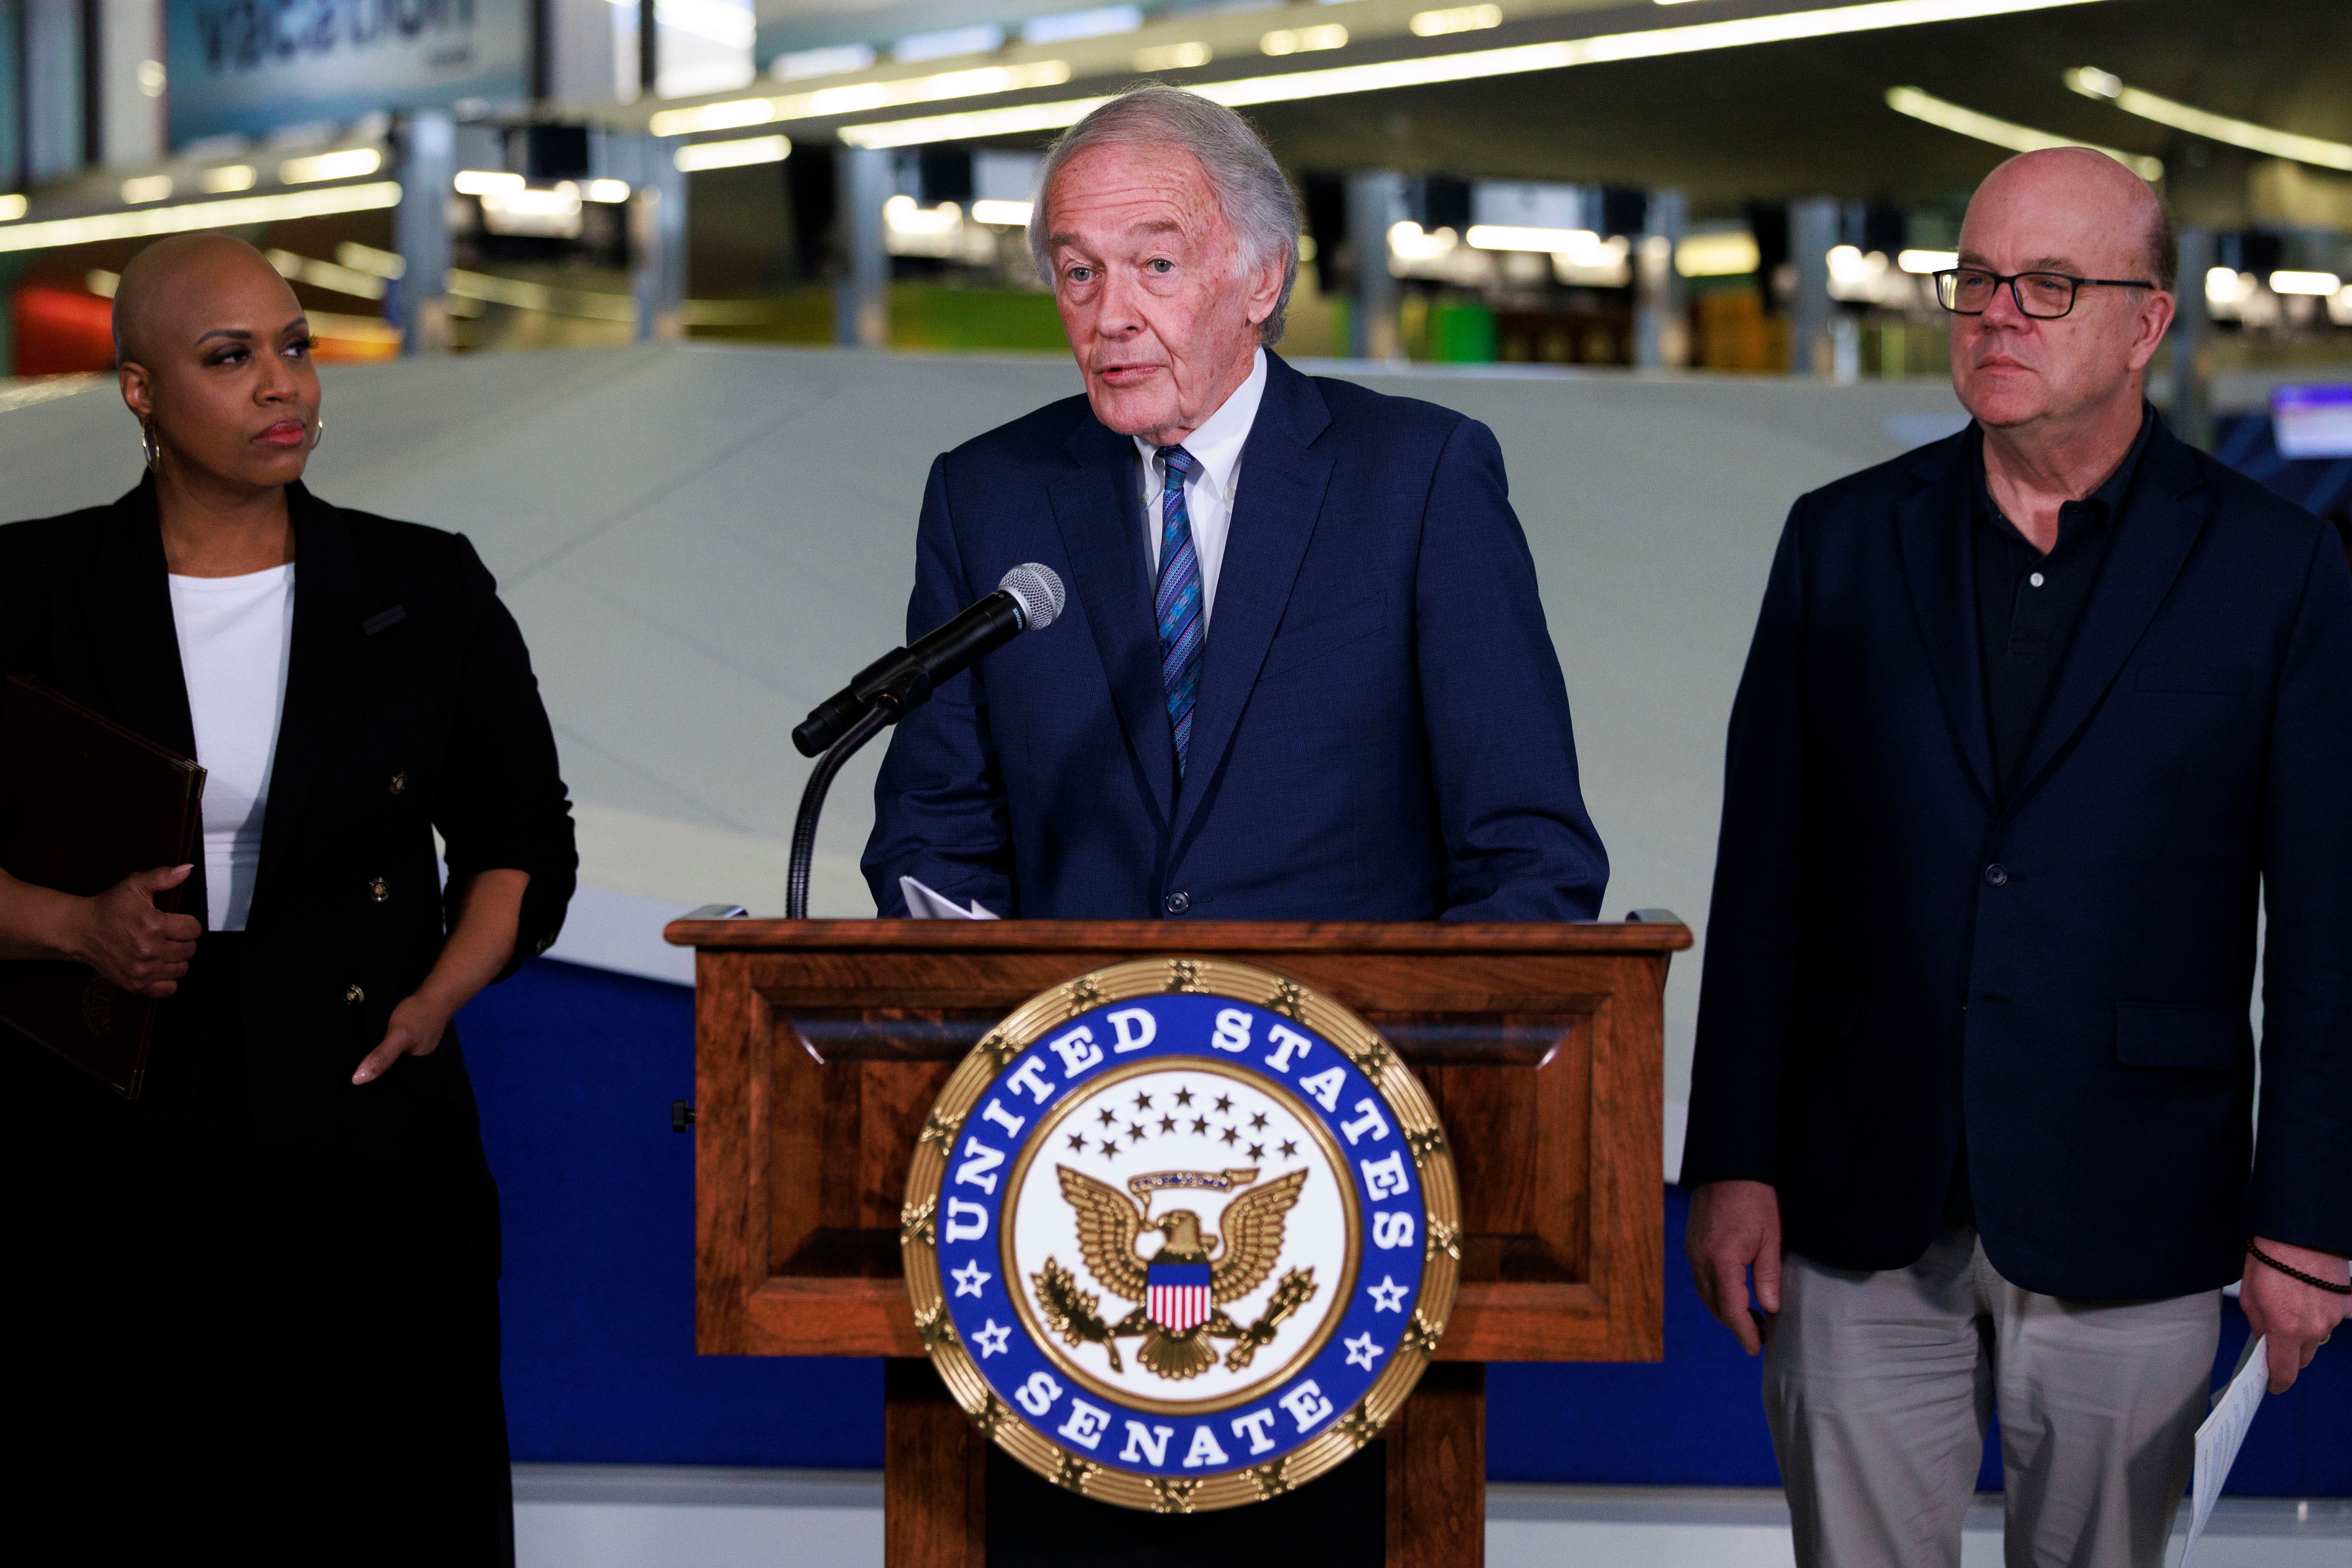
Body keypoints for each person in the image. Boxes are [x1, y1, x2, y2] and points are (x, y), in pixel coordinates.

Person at [1680, 148, 2351, 1568]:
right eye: (1974, 280)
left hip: (2138, 1201)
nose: (1996, 314)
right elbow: (1766, 880)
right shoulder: (1839, 544)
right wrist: (1730, 1155)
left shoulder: (2276, 568)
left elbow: (2331, 925)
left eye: (2047, 285)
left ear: (2147, 322)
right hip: (1859, 1198)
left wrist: (2307, 1223)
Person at [0, 234, 576, 1561]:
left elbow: (520, 837)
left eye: (297, 346)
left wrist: (440, 995)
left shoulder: (424, 585)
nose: (285, 386)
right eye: (231, 357)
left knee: (374, 1504)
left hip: (363, 1095)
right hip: (101, 1122)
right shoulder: (29, 592)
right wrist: (72, 926)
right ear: (139, 391)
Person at [862, 86, 1607, 925]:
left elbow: (1527, 854)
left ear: (1264, 277)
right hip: (1081, 1045)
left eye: (1157, 266)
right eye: (1080, 272)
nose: (1111, 317)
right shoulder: (988, 496)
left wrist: (1419, 1046)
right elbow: (933, 830)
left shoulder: (1419, 479)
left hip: (1345, 1043)